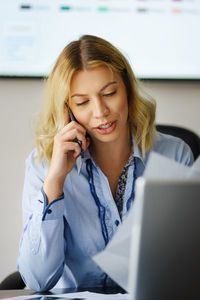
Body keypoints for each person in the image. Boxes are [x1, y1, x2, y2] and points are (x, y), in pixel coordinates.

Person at [17, 35, 193, 292]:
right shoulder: (42, 164)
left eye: (109, 93)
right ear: (67, 109)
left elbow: (186, 263)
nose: (100, 111)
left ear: (128, 90)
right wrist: (55, 181)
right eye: (83, 102)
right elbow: (37, 280)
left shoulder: (175, 155)